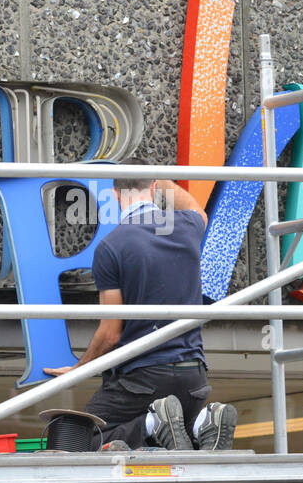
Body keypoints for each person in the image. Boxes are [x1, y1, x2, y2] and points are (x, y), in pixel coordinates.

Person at [44, 159, 237, 452]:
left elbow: (111, 333)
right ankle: (200, 424)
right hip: (193, 377)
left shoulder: (112, 246)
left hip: (142, 378)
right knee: (178, 440)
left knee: (82, 440)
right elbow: (195, 208)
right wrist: (159, 176)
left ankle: (152, 424)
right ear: (155, 188)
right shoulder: (187, 226)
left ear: (115, 195)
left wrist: (78, 369)